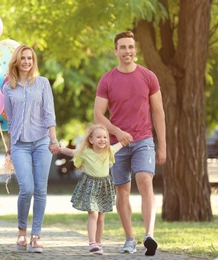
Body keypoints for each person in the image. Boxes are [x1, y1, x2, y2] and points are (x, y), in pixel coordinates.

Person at [94, 31, 167, 256]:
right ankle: (129, 239)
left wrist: (162, 145)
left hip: (144, 139)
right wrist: (116, 132)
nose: (127, 51)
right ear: (116, 51)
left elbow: (158, 112)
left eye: (131, 47)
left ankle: (149, 235)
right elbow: (98, 114)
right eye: (123, 47)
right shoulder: (107, 80)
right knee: (122, 191)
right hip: (116, 145)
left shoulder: (148, 76)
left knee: (145, 180)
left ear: (135, 50)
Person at [3, 44, 60, 253]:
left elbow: (49, 114)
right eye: (23, 58)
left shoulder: (43, 83)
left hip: (42, 142)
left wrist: (53, 140)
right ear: (16, 61)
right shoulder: (8, 88)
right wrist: (10, 146)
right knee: (26, 188)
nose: (27, 61)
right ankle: (21, 230)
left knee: (41, 190)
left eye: (30, 58)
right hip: (20, 145)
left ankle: (36, 236)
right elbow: (11, 118)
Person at [59, 124, 123, 255]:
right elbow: (71, 152)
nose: (102, 139)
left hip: (104, 186)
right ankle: (92, 242)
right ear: (91, 140)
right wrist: (57, 148)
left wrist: (127, 137)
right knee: (93, 213)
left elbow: (121, 143)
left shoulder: (109, 151)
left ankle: (99, 243)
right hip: (90, 185)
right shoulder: (86, 152)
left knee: (101, 217)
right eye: (99, 137)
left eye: (105, 137)